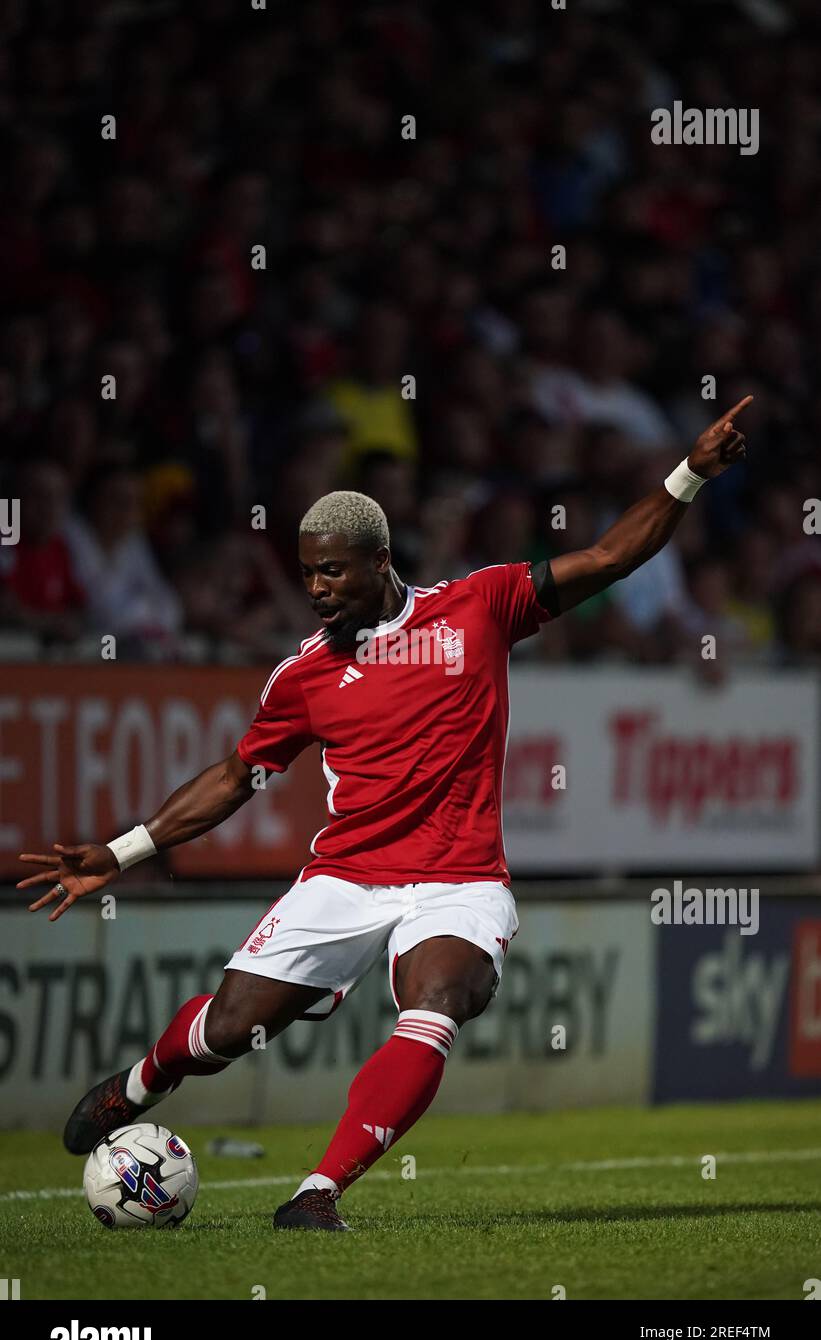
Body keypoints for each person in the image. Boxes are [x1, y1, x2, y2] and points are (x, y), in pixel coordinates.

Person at [17, 399, 751, 1232]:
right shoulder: (303, 677)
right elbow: (233, 777)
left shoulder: (479, 607)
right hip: (345, 875)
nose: (318, 590)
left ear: (379, 560)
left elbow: (613, 555)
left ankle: (316, 1193)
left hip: (458, 879)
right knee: (225, 1030)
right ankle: (141, 1084)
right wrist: (120, 853)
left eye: (333, 571)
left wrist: (688, 472)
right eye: (307, 574)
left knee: (438, 997)